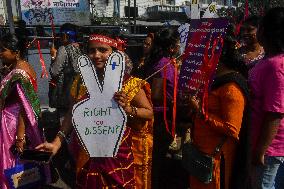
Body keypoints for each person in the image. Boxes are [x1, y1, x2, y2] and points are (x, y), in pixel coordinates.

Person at [36, 31, 154, 188]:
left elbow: (148, 112)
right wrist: (57, 143)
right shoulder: (80, 82)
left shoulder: (129, 83)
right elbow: (72, 113)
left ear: (115, 54)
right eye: (92, 50)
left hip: (117, 156)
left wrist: (128, 108)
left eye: (103, 50)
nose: (96, 55)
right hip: (86, 153)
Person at [188, 35, 251, 189]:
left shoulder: (231, 88)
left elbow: (232, 129)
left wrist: (201, 113)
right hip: (202, 154)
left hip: (217, 158)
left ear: (217, 59)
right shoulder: (216, 81)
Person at [0, 34, 49, 189]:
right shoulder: (20, 67)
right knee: (27, 161)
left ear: (16, 52)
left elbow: (24, 107)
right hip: (18, 122)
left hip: (15, 124)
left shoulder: (20, 73)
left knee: (16, 160)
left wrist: (20, 137)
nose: (0, 53)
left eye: (3, 50)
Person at [143, 28, 186, 189]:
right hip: (162, 118)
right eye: (178, 44)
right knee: (158, 160)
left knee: (156, 158)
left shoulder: (158, 61)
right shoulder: (164, 66)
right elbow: (158, 95)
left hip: (157, 116)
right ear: (172, 48)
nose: (180, 47)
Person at [249, 7, 284, 189]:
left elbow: (275, 113)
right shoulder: (268, 60)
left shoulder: (276, 66)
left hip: (270, 150)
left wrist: (260, 151)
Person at [49, 23, 82, 120]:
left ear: (66, 35)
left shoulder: (63, 49)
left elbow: (54, 71)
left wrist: (53, 56)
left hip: (64, 91)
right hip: (78, 90)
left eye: (61, 35)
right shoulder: (80, 48)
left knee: (64, 119)